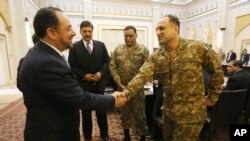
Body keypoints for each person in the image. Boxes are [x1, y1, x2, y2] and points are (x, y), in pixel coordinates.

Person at [17, 7, 126, 141]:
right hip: (53, 134)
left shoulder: (39, 54)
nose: (74, 33)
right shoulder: (47, 62)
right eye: (68, 28)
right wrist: (113, 99)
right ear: (52, 33)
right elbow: (81, 99)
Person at [120, 15, 224, 141]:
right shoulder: (158, 55)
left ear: (176, 29)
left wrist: (212, 97)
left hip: (191, 116)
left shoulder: (197, 48)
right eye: (156, 29)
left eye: (162, 28)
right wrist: (125, 94)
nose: (158, 32)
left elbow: (217, 70)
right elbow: (141, 76)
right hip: (169, 114)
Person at [68, 21, 111, 141]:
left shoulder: (101, 45)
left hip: (99, 85)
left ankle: (104, 135)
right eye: (85, 31)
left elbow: (107, 61)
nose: (87, 33)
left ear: (92, 31)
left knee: (101, 112)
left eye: (89, 31)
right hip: (84, 86)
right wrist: (84, 75)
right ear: (81, 32)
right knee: (86, 114)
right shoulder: (74, 47)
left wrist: (100, 73)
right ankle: (87, 137)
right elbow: (72, 65)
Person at [109, 25, 149, 141]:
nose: (128, 38)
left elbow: (147, 68)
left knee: (140, 115)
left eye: (131, 36)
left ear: (136, 35)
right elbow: (112, 67)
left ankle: (142, 136)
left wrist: (136, 85)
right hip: (122, 89)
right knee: (124, 114)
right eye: (126, 36)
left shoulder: (143, 50)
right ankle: (126, 135)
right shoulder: (118, 50)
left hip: (137, 90)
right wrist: (119, 82)